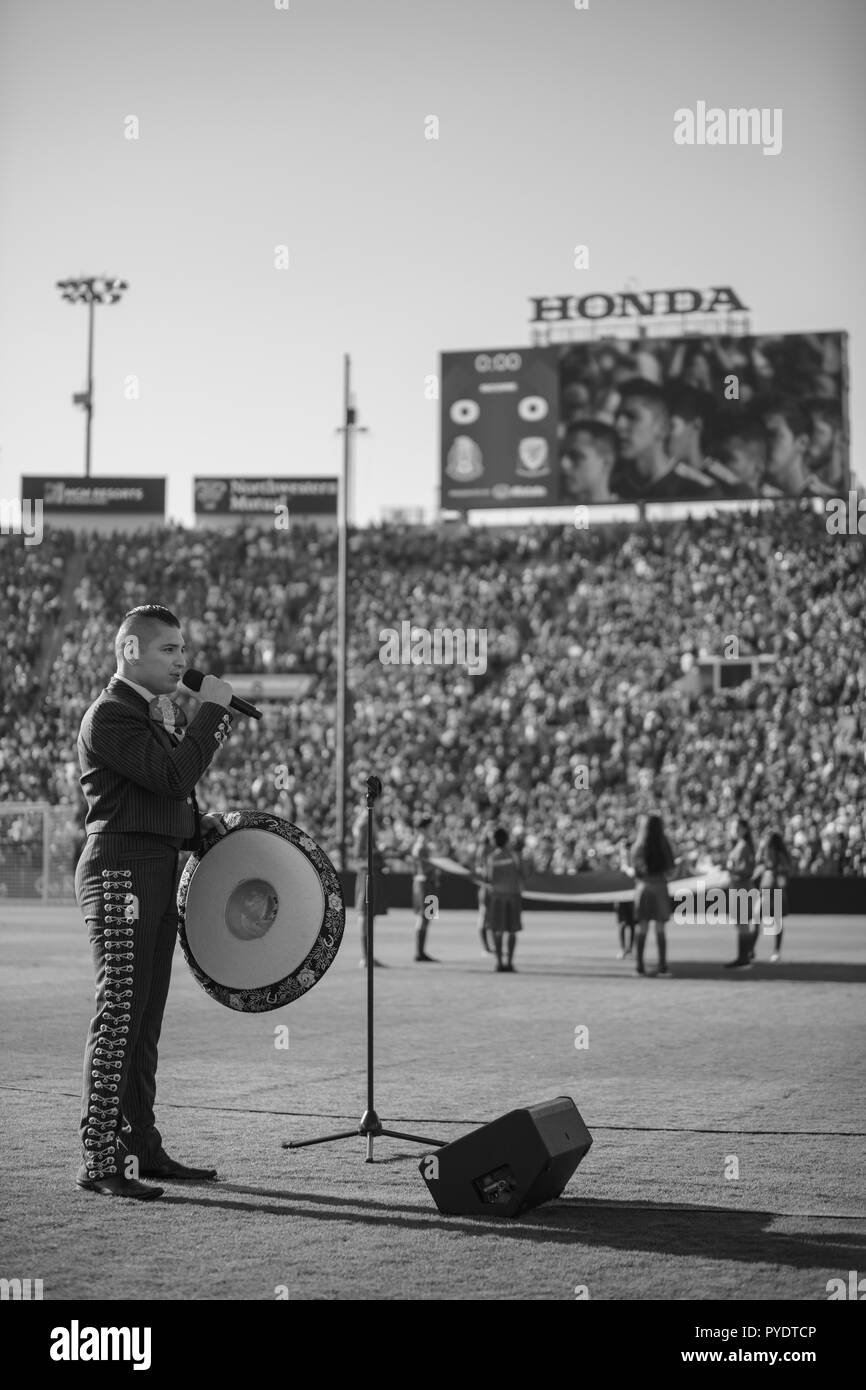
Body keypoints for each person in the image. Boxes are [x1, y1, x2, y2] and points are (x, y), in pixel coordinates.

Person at [74, 604, 233, 1201]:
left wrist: (199, 826)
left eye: (183, 649)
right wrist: (212, 711)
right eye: (170, 649)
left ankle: (140, 1146)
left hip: (156, 870)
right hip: (119, 873)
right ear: (131, 651)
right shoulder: (110, 715)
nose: (183, 661)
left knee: (144, 1017)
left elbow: (164, 796)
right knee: (119, 1010)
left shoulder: (147, 716)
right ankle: (99, 1156)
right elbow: (170, 779)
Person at [631, 812, 677, 977]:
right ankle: (663, 966)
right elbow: (671, 871)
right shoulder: (664, 845)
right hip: (659, 887)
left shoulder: (638, 845)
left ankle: (639, 966)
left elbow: (635, 871)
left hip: (643, 887)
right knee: (660, 928)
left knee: (642, 927)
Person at [352, 797, 388, 968]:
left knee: (369, 914)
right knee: (365, 913)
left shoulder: (369, 822)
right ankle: (366, 957)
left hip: (371, 870)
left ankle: (368, 956)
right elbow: (359, 852)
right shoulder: (365, 823)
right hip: (367, 871)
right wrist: (378, 850)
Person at [485, 826, 523, 973]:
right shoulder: (513, 856)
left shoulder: (491, 858)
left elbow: (489, 878)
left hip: (497, 897)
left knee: (498, 931)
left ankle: (500, 962)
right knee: (512, 931)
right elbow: (521, 874)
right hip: (512, 896)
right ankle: (509, 962)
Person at [724, 815, 759, 969]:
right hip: (738, 887)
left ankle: (744, 957)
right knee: (740, 924)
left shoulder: (744, 845)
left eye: (737, 828)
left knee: (742, 923)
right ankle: (743, 956)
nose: (734, 830)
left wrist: (731, 868)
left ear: (744, 830)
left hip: (742, 887)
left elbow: (747, 869)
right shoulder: (739, 845)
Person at [754, 829, 794, 962]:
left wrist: (776, 871)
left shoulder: (778, 854)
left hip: (775, 890)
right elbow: (758, 860)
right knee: (756, 919)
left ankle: (776, 951)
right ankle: (751, 950)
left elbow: (787, 868)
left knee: (776, 922)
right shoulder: (765, 852)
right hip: (765, 889)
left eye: (766, 839)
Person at [410, 814, 440, 962]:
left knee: (428, 917)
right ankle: (419, 952)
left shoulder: (426, 844)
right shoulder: (422, 845)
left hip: (428, 883)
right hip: (425, 883)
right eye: (431, 827)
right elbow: (425, 867)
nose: (433, 829)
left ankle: (421, 951)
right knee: (424, 916)